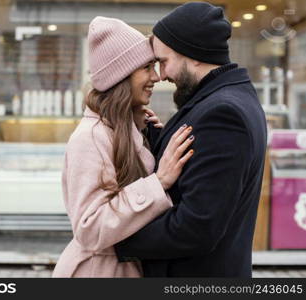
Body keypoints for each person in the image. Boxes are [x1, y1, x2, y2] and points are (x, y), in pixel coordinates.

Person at [114, 2, 268, 278]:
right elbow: (204, 172)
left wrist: (115, 238)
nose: (161, 75)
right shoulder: (226, 98)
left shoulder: (223, 114)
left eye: (164, 61)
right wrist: (157, 138)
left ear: (194, 54)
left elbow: (197, 226)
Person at [52, 16, 194, 277]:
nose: (156, 76)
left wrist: (149, 138)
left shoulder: (129, 129)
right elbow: (89, 228)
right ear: (121, 75)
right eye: (146, 68)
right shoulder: (91, 138)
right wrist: (158, 182)